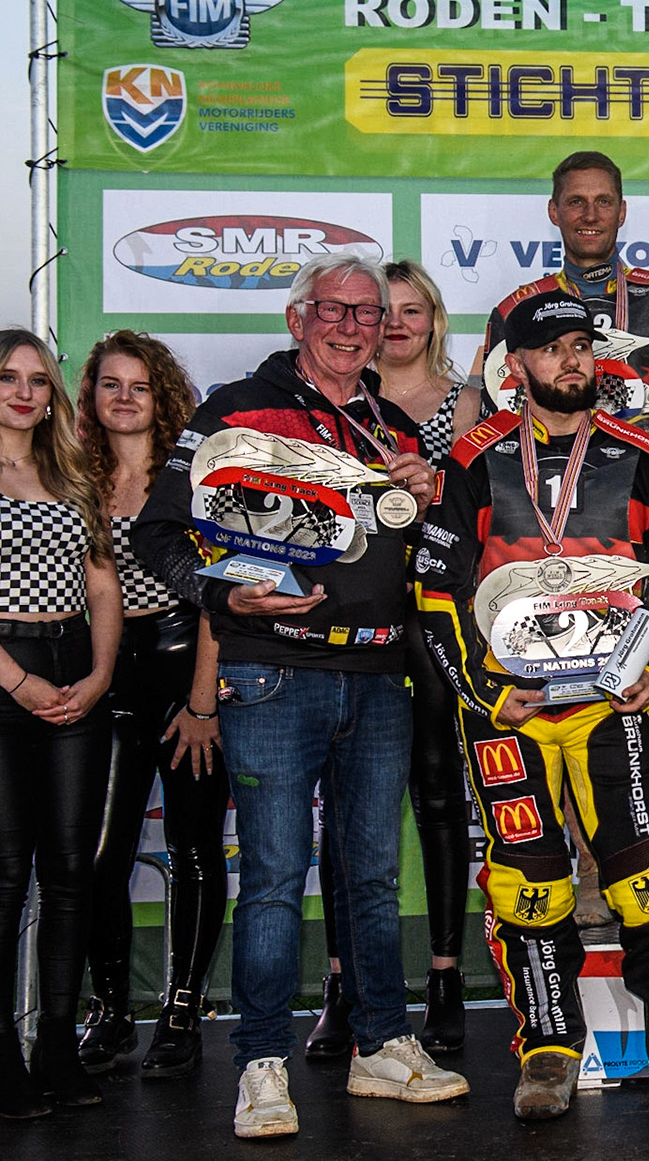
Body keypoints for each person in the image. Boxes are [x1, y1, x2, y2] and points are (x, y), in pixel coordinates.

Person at [134, 252, 465, 1138]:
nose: (354, 326)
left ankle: (380, 1045)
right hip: (271, 670)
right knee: (276, 878)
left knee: (369, 874)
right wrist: (219, 592)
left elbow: (425, 554)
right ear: (298, 319)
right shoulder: (237, 410)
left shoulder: (392, 425)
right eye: (336, 310)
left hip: (377, 675)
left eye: (369, 313)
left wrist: (426, 498)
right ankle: (260, 1065)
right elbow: (157, 531)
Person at [414, 289, 649, 1119]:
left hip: (606, 705)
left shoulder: (644, 455)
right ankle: (548, 1051)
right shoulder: (474, 459)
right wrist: (485, 691)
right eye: (550, 348)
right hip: (509, 713)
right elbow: (436, 591)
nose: (570, 359)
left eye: (580, 345)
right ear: (515, 366)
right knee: (529, 883)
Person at [305, 260, 472, 1060]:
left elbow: (488, 515)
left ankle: (444, 977)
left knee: (440, 794)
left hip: (436, 616)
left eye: (412, 310)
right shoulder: (332, 401)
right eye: (384, 312)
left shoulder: (467, 403)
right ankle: (346, 985)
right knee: (345, 813)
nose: (396, 324)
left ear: (434, 319)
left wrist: (437, 490)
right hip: (350, 620)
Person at [72, 333, 226, 1082]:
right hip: (103, 679)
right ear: (92, 397)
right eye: (111, 385)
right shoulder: (71, 477)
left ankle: (183, 1012)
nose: (125, 397)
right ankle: (109, 1009)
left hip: (187, 674)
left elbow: (219, 600)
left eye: (140, 385)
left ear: (163, 396)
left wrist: (203, 703)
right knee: (98, 855)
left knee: (195, 849)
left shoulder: (196, 480)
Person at [0, 329, 121, 1118]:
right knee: (8, 878)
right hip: (4, 672)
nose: (23, 393)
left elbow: (103, 583)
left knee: (72, 871)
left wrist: (100, 674)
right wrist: (16, 681)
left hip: (78, 668)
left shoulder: (73, 471)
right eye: (8, 378)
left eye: (39, 380)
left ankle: (56, 1047)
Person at [458, 150, 649, 437]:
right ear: (553, 212)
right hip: (546, 472)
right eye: (576, 202)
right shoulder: (519, 309)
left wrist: (626, 438)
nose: (590, 216)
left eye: (603, 202)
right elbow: (496, 418)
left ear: (622, 213)